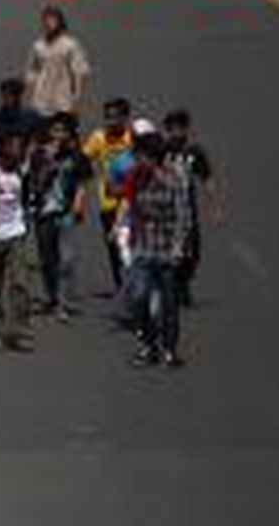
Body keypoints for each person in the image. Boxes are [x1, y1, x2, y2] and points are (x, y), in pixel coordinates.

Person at [116, 128, 193, 368]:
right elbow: (130, 205)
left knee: (169, 304)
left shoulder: (174, 179)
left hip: (167, 251)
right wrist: (122, 228)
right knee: (138, 298)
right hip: (143, 248)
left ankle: (169, 350)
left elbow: (183, 216)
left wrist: (179, 248)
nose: (137, 161)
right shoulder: (137, 177)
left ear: (153, 156)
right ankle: (149, 345)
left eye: (141, 156)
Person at [0, 132, 39, 351]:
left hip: (16, 233)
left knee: (20, 283)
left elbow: (29, 197)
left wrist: (26, 224)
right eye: (13, 147)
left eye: (20, 148)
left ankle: (20, 332)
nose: (18, 152)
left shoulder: (24, 171)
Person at [30, 113, 92, 320]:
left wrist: (78, 204)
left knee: (66, 259)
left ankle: (63, 302)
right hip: (43, 212)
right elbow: (34, 183)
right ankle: (51, 297)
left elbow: (83, 181)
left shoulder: (77, 156)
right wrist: (47, 163)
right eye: (55, 130)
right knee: (47, 259)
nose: (58, 135)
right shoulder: (39, 154)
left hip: (65, 212)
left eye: (63, 131)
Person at [163, 108, 215, 307]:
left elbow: (207, 178)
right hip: (165, 209)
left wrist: (214, 206)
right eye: (172, 128)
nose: (176, 132)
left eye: (180, 128)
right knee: (171, 252)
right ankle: (174, 288)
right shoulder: (162, 150)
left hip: (187, 209)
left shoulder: (195, 152)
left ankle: (183, 281)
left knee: (193, 252)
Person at [83, 97, 134, 292]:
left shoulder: (133, 138)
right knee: (113, 247)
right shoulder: (98, 138)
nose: (111, 122)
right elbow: (83, 159)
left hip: (132, 202)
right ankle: (121, 283)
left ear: (125, 118)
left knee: (132, 245)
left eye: (115, 117)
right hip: (109, 202)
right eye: (108, 118)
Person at [24, 6, 90, 118]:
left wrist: (77, 101)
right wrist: (27, 96)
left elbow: (80, 73)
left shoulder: (71, 45)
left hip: (63, 103)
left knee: (64, 133)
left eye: (53, 19)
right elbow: (31, 73)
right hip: (40, 102)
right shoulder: (38, 46)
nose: (49, 23)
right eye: (46, 19)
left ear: (61, 22)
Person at [0, 77, 42, 149]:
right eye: (3, 95)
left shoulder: (30, 117)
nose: (5, 99)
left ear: (19, 96)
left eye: (10, 95)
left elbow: (37, 138)